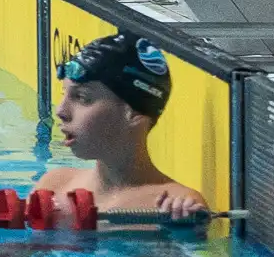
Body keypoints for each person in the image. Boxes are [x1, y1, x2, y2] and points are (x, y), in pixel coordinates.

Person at [33, 33, 204, 216]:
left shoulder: (177, 204)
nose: (61, 111)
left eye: (82, 98)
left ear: (134, 113)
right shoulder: (54, 186)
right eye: (64, 94)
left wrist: (182, 235)